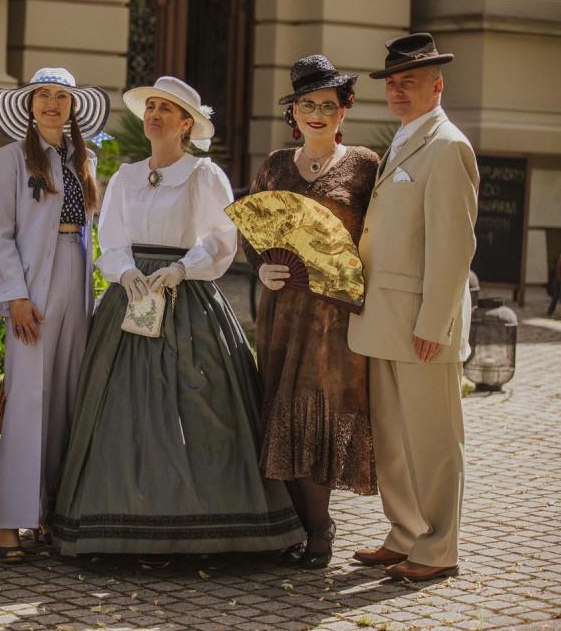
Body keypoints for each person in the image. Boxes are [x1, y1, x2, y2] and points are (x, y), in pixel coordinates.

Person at [52, 76, 305, 560]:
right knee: (122, 408)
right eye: (151, 106)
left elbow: (221, 238)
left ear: (187, 123)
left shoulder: (203, 174)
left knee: (198, 402)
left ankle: (203, 528)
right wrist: (125, 272)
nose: (154, 115)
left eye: (165, 109)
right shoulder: (127, 176)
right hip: (132, 297)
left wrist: (182, 269)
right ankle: (117, 523)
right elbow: (112, 237)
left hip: (186, 296)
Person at [347, 33, 478, 582]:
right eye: (393, 82)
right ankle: (404, 533)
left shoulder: (448, 147)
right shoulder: (404, 139)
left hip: (423, 323)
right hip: (382, 318)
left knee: (433, 440)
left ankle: (439, 546)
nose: (398, 91)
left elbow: (454, 246)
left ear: (437, 86)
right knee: (394, 439)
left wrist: (434, 322)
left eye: (410, 82)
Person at [241, 55, 379, 569]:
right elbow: (252, 230)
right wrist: (261, 267)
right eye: (307, 105)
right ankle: (293, 526)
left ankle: (320, 528)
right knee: (283, 409)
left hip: (335, 314)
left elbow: (381, 237)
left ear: (344, 110)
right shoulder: (277, 165)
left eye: (327, 105)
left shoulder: (364, 165)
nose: (316, 114)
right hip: (282, 308)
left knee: (318, 412)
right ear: (293, 113)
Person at [0, 68, 110, 562]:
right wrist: (15, 295)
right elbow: (0, 232)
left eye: (62, 96)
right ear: (30, 104)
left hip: (76, 278)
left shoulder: (86, 158)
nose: (53, 104)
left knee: (66, 397)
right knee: (28, 398)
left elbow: (92, 231)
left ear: (73, 106)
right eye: (43, 95)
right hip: (33, 284)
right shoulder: (13, 157)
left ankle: (51, 513)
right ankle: (9, 523)